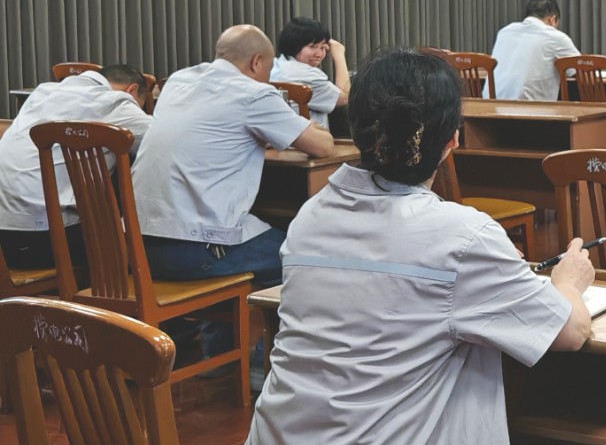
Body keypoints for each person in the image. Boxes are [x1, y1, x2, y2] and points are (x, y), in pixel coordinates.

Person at [234, 48, 592, 445]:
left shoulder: (311, 216)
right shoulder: (462, 235)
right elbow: (568, 333)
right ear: (452, 142)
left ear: (356, 130)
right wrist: (568, 281)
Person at [132, 25, 335, 294]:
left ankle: (232, 320)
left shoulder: (178, 81)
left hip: (136, 248)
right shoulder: (253, 93)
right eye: (268, 71)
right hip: (196, 250)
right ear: (256, 62)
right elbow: (323, 147)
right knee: (309, 259)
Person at [0, 64, 150, 270]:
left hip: (5, 241)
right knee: (139, 242)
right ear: (132, 90)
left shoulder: (43, 93)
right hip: (42, 242)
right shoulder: (116, 102)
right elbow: (160, 146)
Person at [491, 0, 580, 102]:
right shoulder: (556, 37)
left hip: (489, 105)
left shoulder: (504, 32)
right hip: (529, 108)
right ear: (552, 20)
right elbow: (582, 70)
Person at [270, 17, 349, 128]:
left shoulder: (276, 65)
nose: (319, 54)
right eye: (312, 47)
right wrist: (339, 55)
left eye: (323, 47)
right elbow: (345, 98)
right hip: (307, 136)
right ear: (293, 45)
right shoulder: (308, 76)